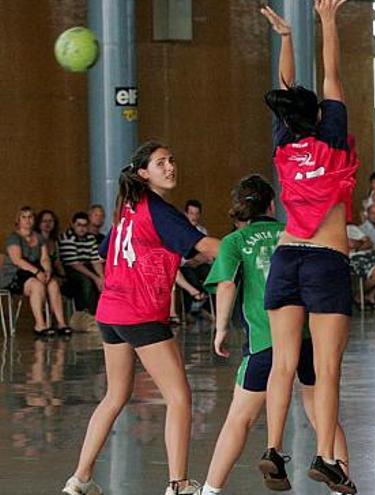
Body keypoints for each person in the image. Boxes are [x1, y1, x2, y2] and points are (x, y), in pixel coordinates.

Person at [61, 141, 220, 495]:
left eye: (172, 159)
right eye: (161, 162)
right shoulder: (160, 211)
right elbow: (209, 247)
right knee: (179, 396)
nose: (170, 167)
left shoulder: (128, 208)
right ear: (144, 173)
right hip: (140, 313)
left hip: (111, 312)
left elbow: (115, 249)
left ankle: (79, 479)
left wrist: (175, 256)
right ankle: (178, 484)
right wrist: (254, 247)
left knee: (115, 395)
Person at [199, 174, 352, 494]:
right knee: (322, 413)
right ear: (272, 205)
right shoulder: (290, 235)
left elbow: (226, 285)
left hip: (267, 341)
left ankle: (210, 491)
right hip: (309, 335)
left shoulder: (234, 242)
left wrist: (221, 328)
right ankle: (341, 478)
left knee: (239, 419)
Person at [259, 2, 358, 492]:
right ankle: (325, 456)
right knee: (326, 368)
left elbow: (286, 92)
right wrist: (328, 21)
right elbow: (332, 73)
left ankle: (274, 450)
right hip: (325, 261)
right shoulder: (333, 138)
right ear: (319, 113)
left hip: (285, 257)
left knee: (282, 364)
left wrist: (286, 39)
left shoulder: (284, 143)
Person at [2, 206, 71, 336]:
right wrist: (37, 272)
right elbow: (17, 260)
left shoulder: (39, 237)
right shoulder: (14, 238)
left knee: (53, 284)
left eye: (30, 217)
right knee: (36, 285)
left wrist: (47, 271)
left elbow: (44, 258)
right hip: (15, 273)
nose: (27, 220)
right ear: (18, 220)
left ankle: (61, 323)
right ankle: (40, 324)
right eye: (24, 217)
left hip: (35, 270)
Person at [58, 212, 104, 314]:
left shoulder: (90, 238)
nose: (82, 228)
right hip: (70, 269)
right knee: (86, 282)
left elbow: (95, 260)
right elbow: (74, 263)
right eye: (79, 225)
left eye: (84, 225)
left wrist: (101, 277)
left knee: (104, 281)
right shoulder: (67, 238)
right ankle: (85, 313)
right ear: (73, 225)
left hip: (87, 266)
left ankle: (100, 314)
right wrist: (95, 278)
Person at [37, 209, 65, 280]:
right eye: (44, 221)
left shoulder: (54, 241)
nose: (48, 224)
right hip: (39, 274)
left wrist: (64, 276)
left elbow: (57, 262)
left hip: (53, 273)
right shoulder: (35, 240)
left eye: (50, 221)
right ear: (38, 223)